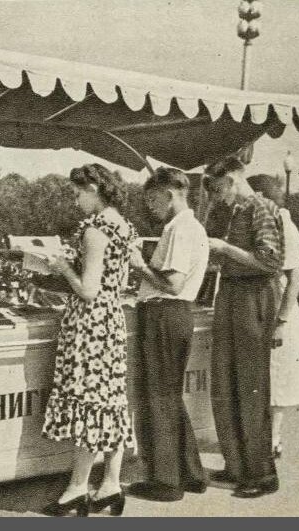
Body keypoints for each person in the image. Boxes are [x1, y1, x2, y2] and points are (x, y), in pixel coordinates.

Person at [41, 163, 137, 517]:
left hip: (90, 323)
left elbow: (88, 289)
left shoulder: (95, 230)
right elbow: (114, 281)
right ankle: (111, 483)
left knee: (88, 399)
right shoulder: (123, 226)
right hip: (111, 319)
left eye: (77, 193)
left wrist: (62, 267)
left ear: (94, 188)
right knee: (110, 399)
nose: (75, 200)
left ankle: (77, 487)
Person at [126, 168, 210, 502]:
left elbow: (173, 283)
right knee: (170, 396)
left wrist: (139, 265)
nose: (150, 207)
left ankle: (166, 481)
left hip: (164, 313)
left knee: (158, 397)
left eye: (152, 199)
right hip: (174, 315)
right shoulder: (190, 227)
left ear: (169, 194)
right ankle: (190, 472)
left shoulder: (180, 228)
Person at [203, 157, 284, 499]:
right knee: (225, 382)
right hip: (232, 294)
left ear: (233, 179)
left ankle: (262, 474)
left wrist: (225, 248)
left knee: (251, 387)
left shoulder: (260, 208)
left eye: (219, 189)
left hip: (253, 296)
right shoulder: (236, 212)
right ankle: (237, 465)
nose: (218, 196)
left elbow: (269, 260)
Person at [246, 174, 299, 459]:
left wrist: (281, 323)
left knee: (278, 375)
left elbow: (295, 280)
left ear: (261, 195)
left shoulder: (283, 224)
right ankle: (264, 437)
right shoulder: (265, 221)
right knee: (267, 375)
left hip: (281, 310)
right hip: (266, 305)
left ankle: (272, 439)